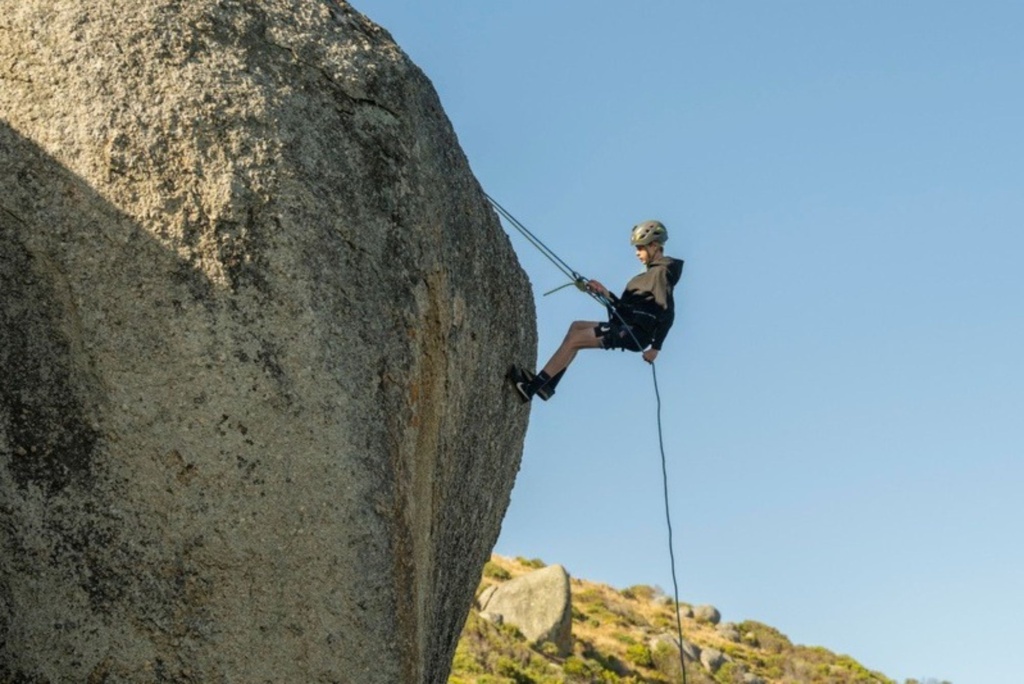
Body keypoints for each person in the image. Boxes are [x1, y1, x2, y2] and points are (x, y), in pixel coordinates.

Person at [511, 220, 684, 403]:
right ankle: (548, 386)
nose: (637, 253)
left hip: (634, 332)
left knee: (575, 340)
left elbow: (667, 312)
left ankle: (530, 389)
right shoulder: (648, 275)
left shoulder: (661, 273)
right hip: (628, 326)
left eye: (640, 248)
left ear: (654, 246)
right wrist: (605, 292)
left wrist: (656, 348)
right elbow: (629, 309)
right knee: (576, 328)